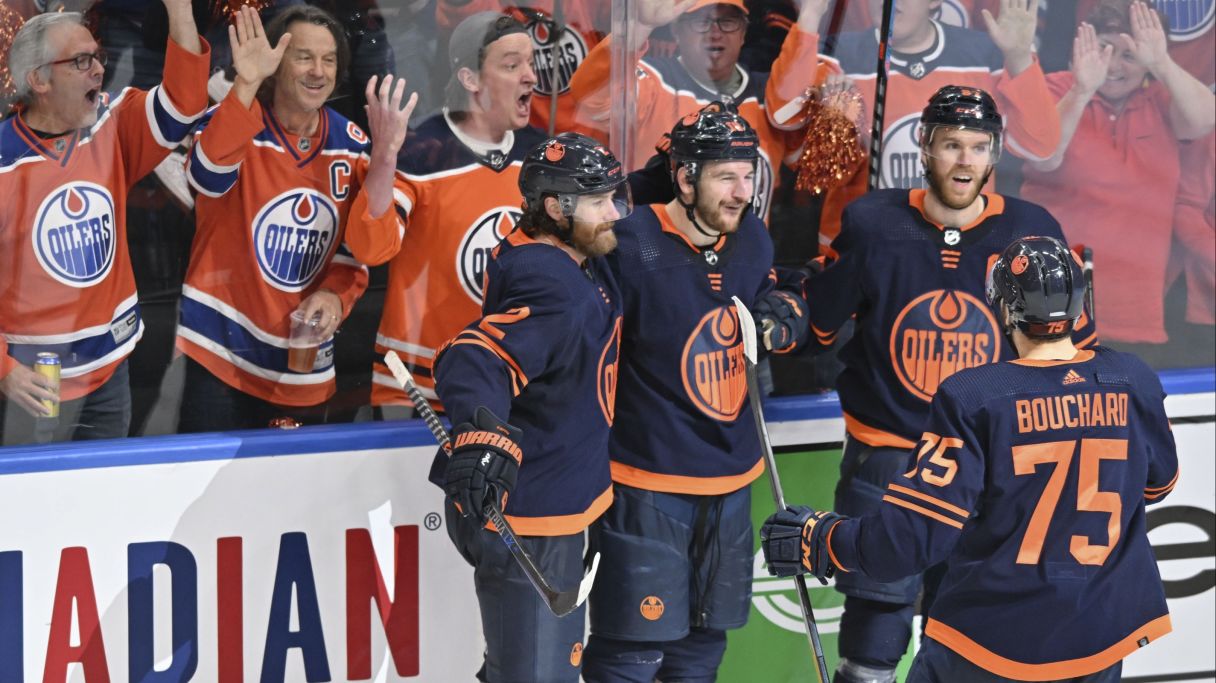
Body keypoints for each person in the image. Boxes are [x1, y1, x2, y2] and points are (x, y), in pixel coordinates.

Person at [761, 235, 1179, 682]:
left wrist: (821, 538)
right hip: (1098, 640)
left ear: (1002, 307)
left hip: (992, 643)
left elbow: (909, 542)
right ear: (1079, 305)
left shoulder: (976, 397)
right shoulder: (1132, 380)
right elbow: (1159, 484)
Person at [789, 85, 1096, 683]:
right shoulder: (874, 222)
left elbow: (1071, 352)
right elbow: (819, 327)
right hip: (889, 457)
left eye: (978, 147)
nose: (964, 160)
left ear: (995, 154)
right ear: (924, 145)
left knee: (969, 627)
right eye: (951, 144)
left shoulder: (1032, 230)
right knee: (876, 625)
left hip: (991, 460)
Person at [580, 103, 805, 682]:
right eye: (726, 176)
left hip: (731, 482)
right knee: (630, 655)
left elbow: (776, 292)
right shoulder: (631, 244)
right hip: (645, 484)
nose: (742, 192)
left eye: (749, 174)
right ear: (684, 178)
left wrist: (779, 312)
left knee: (702, 651)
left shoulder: (752, 238)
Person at [431, 133, 630, 682]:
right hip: (536, 518)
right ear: (554, 208)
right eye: (598, 201)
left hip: (559, 501)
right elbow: (475, 357)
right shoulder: (553, 283)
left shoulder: (570, 251)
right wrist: (481, 431)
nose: (614, 212)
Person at [175, 5, 415, 431]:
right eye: (303, 56)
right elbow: (206, 178)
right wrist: (246, 84)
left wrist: (336, 298)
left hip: (301, 367)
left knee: (296, 497)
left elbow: (363, 251)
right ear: (274, 61)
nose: (317, 71)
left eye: (329, 59)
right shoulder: (232, 121)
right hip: (221, 354)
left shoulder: (351, 145)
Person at [0, 0, 209, 444]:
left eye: (98, 57)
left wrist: (180, 11)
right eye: (80, 61)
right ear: (38, 79)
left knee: (104, 506)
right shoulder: (3, 165)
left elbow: (183, 101)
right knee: (34, 511)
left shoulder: (111, 126)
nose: (98, 70)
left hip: (110, 374)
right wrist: (3, 371)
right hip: (29, 387)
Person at [345, 11, 548, 415]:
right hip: (419, 387)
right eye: (512, 65)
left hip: (512, 381)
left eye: (530, 62)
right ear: (470, 79)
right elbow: (371, 247)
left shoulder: (543, 156)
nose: (530, 77)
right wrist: (384, 157)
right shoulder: (418, 151)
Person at [782, 0, 1061, 254]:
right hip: (865, 253)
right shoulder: (839, 54)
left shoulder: (982, 55)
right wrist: (834, 123)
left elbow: (1040, 146)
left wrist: (1019, 58)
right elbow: (805, 160)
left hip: (962, 251)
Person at [1019, 0, 1215, 347]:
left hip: (1137, 316)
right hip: (1049, 304)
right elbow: (1043, 155)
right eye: (1104, 50)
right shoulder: (1055, 88)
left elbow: (1204, 120)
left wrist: (1162, 62)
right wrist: (1082, 89)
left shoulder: (1161, 98)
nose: (1113, 65)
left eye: (1129, 55)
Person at [567, 0, 832, 222]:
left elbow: (816, 169)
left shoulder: (771, 97)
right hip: (652, 260)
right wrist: (639, 26)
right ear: (677, 32)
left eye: (728, 22)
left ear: (743, 34)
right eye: (701, 21)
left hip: (741, 271)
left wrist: (811, 18)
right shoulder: (651, 80)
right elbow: (590, 95)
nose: (715, 33)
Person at [435, 0, 611, 135]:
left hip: (594, 145)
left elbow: (632, 22)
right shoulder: (488, 9)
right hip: (523, 152)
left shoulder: (585, 5)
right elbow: (459, 16)